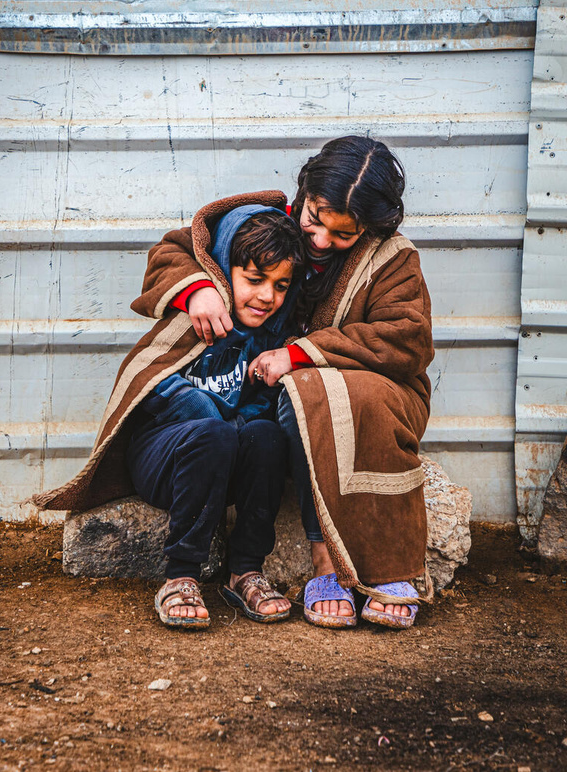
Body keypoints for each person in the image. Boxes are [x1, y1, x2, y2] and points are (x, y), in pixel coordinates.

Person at [178, 138, 435, 630]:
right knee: (303, 394)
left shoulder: (394, 259)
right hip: (270, 410)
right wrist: (200, 288)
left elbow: (406, 340)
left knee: (313, 387)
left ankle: (388, 568)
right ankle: (326, 559)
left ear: (372, 226)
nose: (319, 241)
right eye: (314, 218)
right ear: (305, 192)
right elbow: (176, 249)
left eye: (343, 233)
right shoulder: (267, 225)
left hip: (378, 401)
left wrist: (300, 353)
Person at [32, 197, 305, 630]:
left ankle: (245, 571)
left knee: (268, 437)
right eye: (254, 279)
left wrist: (256, 395)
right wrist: (213, 416)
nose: (267, 296)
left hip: (226, 467)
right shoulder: (191, 321)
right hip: (166, 460)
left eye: (281, 285)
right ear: (222, 270)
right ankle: (181, 576)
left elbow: (257, 412)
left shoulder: (270, 341)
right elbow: (150, 381)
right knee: (213, 434)